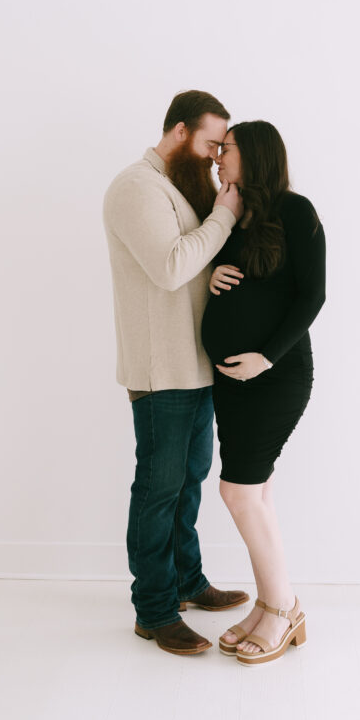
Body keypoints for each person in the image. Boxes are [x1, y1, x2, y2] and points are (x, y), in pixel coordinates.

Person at [103, 90, 249, 656]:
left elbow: (191, 262)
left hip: (193, 368)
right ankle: (155, 610)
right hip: (161, 371)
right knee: (158, 492)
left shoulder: (177, 189)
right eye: (212, 143)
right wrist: (224, 215)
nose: (217, 157)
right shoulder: (136, 187)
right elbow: (169, 268)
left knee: (188, 484)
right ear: (180, 131)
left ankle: (188, 582)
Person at [201, 120, 326, 665]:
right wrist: (213, 275)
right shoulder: (233, 214)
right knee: (256, 493)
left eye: (225, 151)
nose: (217, 160)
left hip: (275, 377)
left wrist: (266, 357)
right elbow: (238, 281)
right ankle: (266, 604)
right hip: (232, 383)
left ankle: (284, 607)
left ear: (254, 156)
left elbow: (312, 296)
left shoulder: (296, 212)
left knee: (237, 492)